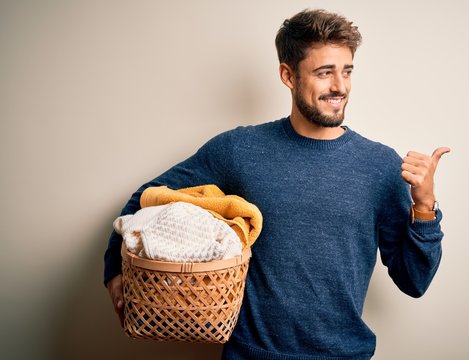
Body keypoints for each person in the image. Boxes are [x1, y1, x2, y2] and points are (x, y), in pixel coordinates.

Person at [104, 8, 450, 360]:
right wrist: (114, 270)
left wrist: (424, 208)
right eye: (324, 73)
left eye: (347, 72)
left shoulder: (380, 165)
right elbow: (147, 200)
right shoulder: (239, 150)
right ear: (288, 75)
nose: (340, 86)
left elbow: (414, 282)